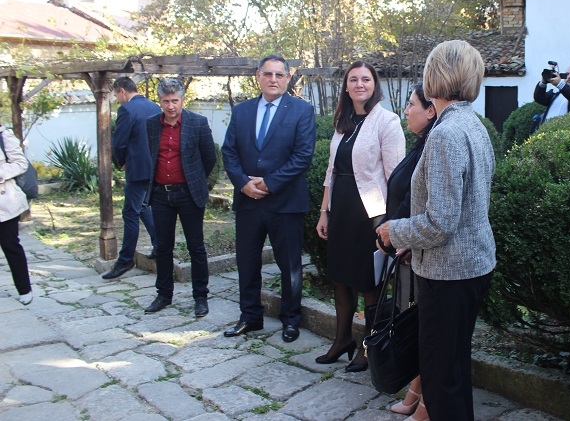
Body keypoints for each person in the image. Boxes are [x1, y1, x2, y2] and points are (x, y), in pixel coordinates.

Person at [376, 40, 496, 421]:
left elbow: (440, 222)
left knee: (442, 380)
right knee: (454, 371)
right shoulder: (473, 124)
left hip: (449, 274)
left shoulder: (445, 133)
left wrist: (395, 231)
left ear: (433, 78)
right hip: (471, 267)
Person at [315, 60, 405, 372]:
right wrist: (324, 212)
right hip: (340, 209)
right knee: (340, 278)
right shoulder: (343, 120)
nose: (359, 84)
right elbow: (331, 171)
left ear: (374, 84)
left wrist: (391, 222)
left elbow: (396, 177)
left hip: (370, 214)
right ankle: (341, 340)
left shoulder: (387, 121)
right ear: (346, 86)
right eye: (353, 79)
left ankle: (368, 348)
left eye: (365, 79)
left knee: (369, 282)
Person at [222, 54, 315, 341]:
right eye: (268, 74)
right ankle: (250, 317)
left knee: (289, 265)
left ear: (288, 78)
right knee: (247, 263)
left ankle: (290, 320)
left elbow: (303, 156)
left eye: (279, 74)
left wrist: (269, 183)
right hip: (248, 202)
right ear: (258, 76)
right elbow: (229, 152)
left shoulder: (302, 110)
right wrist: (242, 184)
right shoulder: (242, 111)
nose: (273, 79)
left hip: (285, 203)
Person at [377, 83, 436, 421]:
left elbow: (420, 203)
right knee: (412, 321)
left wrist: (396, 236)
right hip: (404, 246)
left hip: (418, 248)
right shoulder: (420, 143)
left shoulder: (435, 144)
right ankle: (416, 390)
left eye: (412, 104)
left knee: (422, 326)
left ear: (430, 110)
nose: (406, 111)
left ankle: (426, 401)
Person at [142, 78, 217, 318]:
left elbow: (210, 157)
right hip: (161, 195)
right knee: (163, 247)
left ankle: (200, 297)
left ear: (182, 100)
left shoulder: (197, 122)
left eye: (175, 100)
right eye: (166, 101)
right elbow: (152, 155)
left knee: (196, 247)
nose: (171, 106)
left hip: (188, 194)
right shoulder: (152, 124)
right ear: (160, 101)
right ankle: (164, 294)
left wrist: (197, 183)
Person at [102, 76, 161, 280]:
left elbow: (119, 142)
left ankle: (125, 260)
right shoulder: (155, 106)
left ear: (122, 91)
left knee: (130, 213)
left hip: (137, 169)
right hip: (155, 168)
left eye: (116, 95)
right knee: (143, 207)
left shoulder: (126, 109)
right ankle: (159, 246)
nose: (117, 100)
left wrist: (120, 162)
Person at [0, 124, 34, 305]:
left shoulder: (3, 135)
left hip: (4, 202)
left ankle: (24, 289)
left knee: (10, 245)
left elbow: (21, 163)